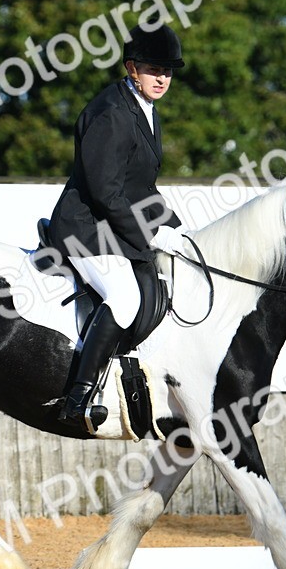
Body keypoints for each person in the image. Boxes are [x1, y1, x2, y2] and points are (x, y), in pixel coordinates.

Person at [45, 23, 188, 430]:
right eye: (153, 69)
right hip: (84, 228)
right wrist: (151, 235)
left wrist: (176, 227)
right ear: (131, 68)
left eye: (169, 70)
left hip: (112, 224)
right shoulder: (111, 113)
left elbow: (141, 187)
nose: (162, 78)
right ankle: (79, 394)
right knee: (125, 296)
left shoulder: (145, 109)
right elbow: (106, 192)